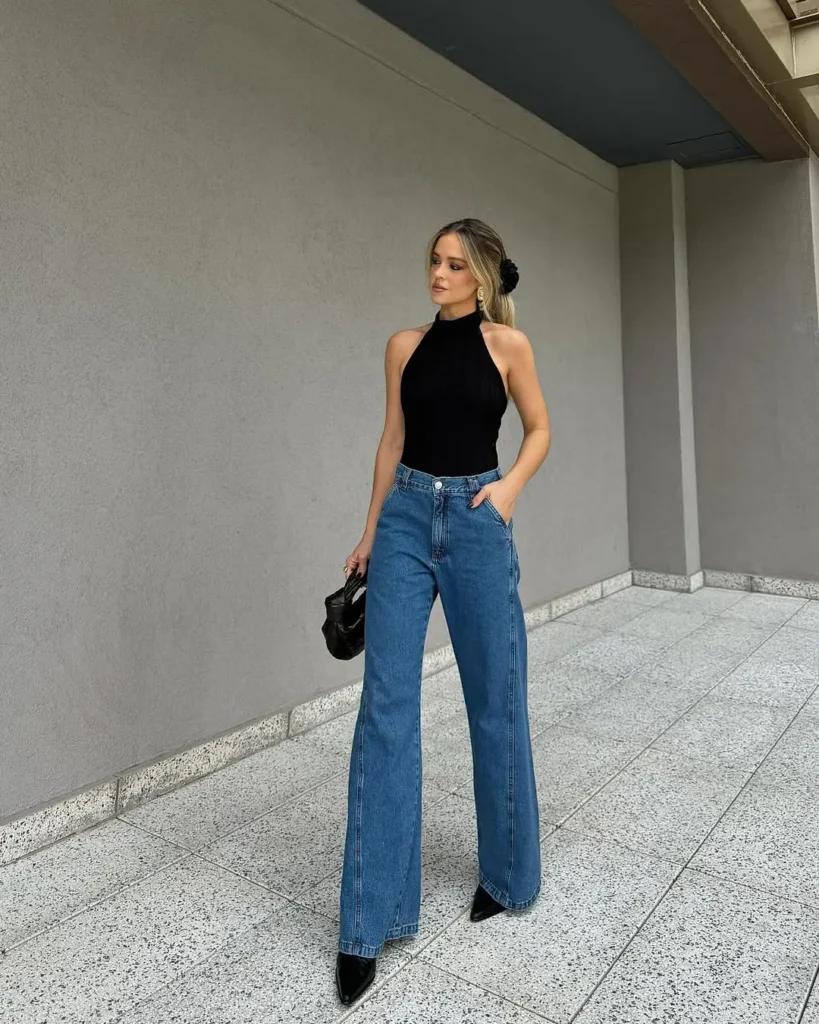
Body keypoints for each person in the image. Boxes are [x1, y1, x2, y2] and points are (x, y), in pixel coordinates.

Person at [335, 217, 552, 1005]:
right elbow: (391, 441)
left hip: (475, 519)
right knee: (385, 709)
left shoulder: (506, 348)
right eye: (432, 259)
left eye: (454, 264)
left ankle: (506, 875)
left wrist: (506, 494)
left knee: (494, 702)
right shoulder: (402, 345)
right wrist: (366, 534)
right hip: (404, 520)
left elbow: (539, 429)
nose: (437, 272)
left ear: (483, 276)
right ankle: (368, 922)